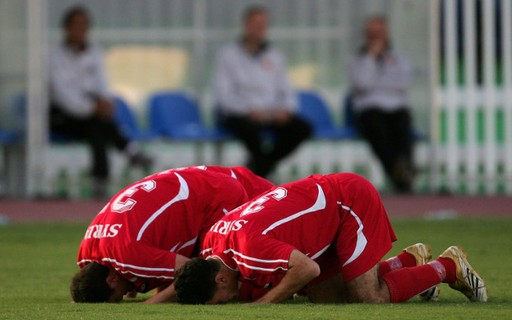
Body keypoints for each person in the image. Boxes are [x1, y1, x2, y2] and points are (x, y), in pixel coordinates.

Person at [174, 172, 487, 304]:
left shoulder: (248, 249)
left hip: (348, 201)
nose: (228, 302)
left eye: (221, 301)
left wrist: (264, 305)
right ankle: (408, 262)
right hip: (324, 208)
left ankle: (448, 266)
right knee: (327, 297)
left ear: (219, 281)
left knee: (368, 298)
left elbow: (306, 269)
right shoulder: (213, 241)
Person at [70, 165, 274, 303]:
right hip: (195, 181)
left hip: (215, 195)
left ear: (111, 280)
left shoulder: (128, 257)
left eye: (118, 296)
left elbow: (191, 271)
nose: (124, 295)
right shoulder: (86, 253)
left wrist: (151, 303)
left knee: (221, 269)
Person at [49, 6, 151, 198]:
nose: (80, 29)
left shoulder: (94, 53)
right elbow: (62, 93)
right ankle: (129, 151)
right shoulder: (55, 56)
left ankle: (100, 182)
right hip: (63, 115)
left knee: (97, 126)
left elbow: (103, 84)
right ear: (66, 28)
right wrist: (91, 108)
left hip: (92, 114)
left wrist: (105, 102)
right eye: (76, 25)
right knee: (97, 125)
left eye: (84, 25)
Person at [215, 5, 312, 178]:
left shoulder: (275, 55)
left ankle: (257, 170)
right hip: (241, 114)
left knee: (302, 128)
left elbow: (286, 88)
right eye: (255, 24)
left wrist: (286, 109)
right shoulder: (228, 55)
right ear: (245, 25)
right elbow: (224, 96)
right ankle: (258, 172)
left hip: (269, 113)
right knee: (250, 131)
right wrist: (248, 110)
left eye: (262, 25)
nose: (258, 29)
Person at [348, 15, 414, 193]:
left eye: (379, 33)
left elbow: (403, 83)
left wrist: (378, 85)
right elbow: (362, 84)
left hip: (396, 109)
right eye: (372, 33)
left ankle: (404, 168)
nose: (376, 38)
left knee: (403, 128)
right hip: (370, 110)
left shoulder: (398, 58)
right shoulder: (358, 59)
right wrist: (371, 57)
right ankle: (398, 170)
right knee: (377, 130)